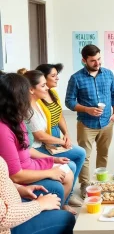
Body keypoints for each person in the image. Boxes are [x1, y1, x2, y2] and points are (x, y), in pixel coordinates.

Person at [0, 73, 75, 215]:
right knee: (63, 177)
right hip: (24, 174)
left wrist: (52, 160)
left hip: (30, 165)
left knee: (68, 170)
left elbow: (25, 150)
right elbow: (16, 176)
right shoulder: (3, 129)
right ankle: (55, 214)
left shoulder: (17, 119)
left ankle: (57, 210)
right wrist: (50, 172)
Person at [65, 44, 114, 199]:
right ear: (84, 60)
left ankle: (99, 183)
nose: (97, 63)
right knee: (85, 156)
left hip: (107, 122)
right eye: (93, 61)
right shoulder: (76, 78)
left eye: (99, 59)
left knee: (103, 154)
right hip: (86, 124)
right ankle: (85, 185)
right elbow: (69, 102)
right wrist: (87, 109)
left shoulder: (108, 74)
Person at [34, 63, 86, 207]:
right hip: (47, 141)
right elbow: (40, 135)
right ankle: (64, 200)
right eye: (53, 76)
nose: (57, 78)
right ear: (43, 78)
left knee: (80, 153)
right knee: (71, 163)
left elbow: (60, 116)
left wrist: (66, 135)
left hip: (57, 136)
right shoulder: (37, 100)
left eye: (57, 75)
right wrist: (59, 141)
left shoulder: (53, 93)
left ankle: (67, 196)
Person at [0, 156, 75, 234]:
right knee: (67, 218)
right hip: (8, 228)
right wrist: (39, 204)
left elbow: (4, 180)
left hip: (14, 206)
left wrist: (19, 188)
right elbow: (3, 217)